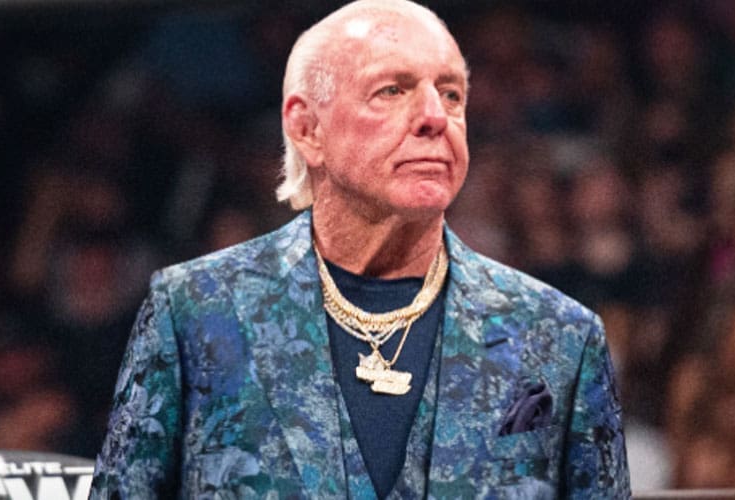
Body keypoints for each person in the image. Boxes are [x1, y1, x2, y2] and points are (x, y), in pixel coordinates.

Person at [90, 0, 630, 498]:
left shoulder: (559, 336)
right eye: (392, 90)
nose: (435, 117)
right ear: (307, 128)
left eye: (451, 94)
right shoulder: (195, 311)